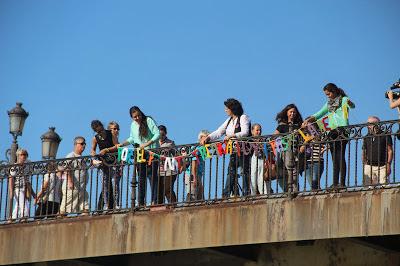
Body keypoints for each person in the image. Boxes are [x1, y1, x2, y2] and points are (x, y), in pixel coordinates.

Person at [302, 83, 355, 188]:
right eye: (326, 94)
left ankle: (342, 183)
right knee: (334, 158)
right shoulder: (328, 104)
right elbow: (318, 114)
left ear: (334, 91)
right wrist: (308, 120)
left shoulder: (343, 99)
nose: (328, 96)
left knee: (340, 157)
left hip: (342, 130)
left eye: (328, 94)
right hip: (331, 132)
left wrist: (350, 102)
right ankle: (335, 183)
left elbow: (353, 106)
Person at [201, 98, 251, 197]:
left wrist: (232, 136)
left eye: (227, 108)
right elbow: (219, 131)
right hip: (233, 149)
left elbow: (245, 132)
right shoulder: (229, 120)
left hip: (244, 149)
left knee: (244, 171)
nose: (225, 110)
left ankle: (246, 193)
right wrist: (208, 137)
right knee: (230, 171)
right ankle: (226, 194)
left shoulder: (243, 117)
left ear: (232, 108)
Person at [116, 106, 161, 206]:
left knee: (152, 176)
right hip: (139, 153)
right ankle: (141, 202)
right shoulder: (133, 125)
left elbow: (157, 134)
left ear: (141, 113)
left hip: (151, 152)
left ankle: (155, 201)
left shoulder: (148, 120)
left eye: (138, 115)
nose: (137, 118)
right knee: (141, 177)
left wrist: (147, 144)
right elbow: (132, 138)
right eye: (134, 117)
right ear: (131, 117)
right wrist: (122, 144)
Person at [274, 104, 304, 193]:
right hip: (286, 149)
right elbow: (274, 136)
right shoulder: (282, 126)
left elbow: (304, 136)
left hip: (296, 150)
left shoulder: (298, 125)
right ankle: (292, 189)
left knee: (294, 169)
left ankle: (293, 188)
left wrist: (303, 145)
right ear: (287, 113)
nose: (292, 113)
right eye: (290, 112)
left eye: (294, 112)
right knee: (291, 168)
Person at [90, 120, 118, 211]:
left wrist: (106, 150)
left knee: (115, 183)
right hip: (103, 163)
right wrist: (94, 154)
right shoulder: (95, 138)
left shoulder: (111, 133)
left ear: (103, 127)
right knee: (105, 184)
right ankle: (106, 205)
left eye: (101, 130)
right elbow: (92, 150)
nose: (101, 133)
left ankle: (116, 204)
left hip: (114, 161)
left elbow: (117, 146)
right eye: (98, 132)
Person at [60, 136, 90, 215]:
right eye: (82, 143)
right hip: (73, 187)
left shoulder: (82, 158)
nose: (84, 145)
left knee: (85, 208)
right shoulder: (71, 155)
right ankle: (60, 217)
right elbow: (67, 168)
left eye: (85, 144)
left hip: (81, 187)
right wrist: (70, 181)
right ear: (76, 144)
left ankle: (85, 215)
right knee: (65, 208)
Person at [362, 116, 393, 185]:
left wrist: (388, 164)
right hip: (369, 166)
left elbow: (390, 151)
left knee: (385, 187)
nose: (368, 126)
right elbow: (364, 151)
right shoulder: (366, 137)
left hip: (382, 166)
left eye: (369, 124)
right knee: (368, 189)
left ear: (376, 124)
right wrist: (365, 163)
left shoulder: (385, 134)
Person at [8, 148, 35, 220]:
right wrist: (11, 191)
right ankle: (24, 217)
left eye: (25, 155)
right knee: (23, 204)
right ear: (18, 156)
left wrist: (33, 193)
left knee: (18, 205)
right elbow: (11, 178)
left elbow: (27, 181)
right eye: (22, 154)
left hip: (25, 188)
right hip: (17, 189)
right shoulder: (14, 167)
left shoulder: (27, 166)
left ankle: (12, 219)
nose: (24, 156)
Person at [184, 130, 207, 201]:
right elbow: (193, 164)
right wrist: (194, 178)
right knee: (192, 196)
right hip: (192, 174)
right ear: (200, 138)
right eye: (206, 137)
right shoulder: (198, 149)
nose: (207, 139)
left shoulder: (202, 148)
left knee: (200, 197)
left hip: (198, 174)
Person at [158, 125, 177, 203]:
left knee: (167, 189)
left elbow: (177, 155)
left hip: (169, 170)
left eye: (162, 135)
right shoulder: (154, 143)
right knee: (158, 190)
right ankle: (159, 206)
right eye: (159, 135)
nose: (161, 137)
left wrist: (182, 165)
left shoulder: (170, 143)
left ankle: (173, 205)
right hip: (157, 170)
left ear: (165, 134)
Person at [249, 124, 270, 195]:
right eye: (257, 130)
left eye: (260, 130)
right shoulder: (249, 140)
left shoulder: (263, 140)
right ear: (252, 131)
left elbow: (267, 150)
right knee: (253, 177)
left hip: (261, 159)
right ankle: (253, 194)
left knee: (261, 177)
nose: (259, 132)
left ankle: (263, 193)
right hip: (253, 159)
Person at [107, 121, 122, 209]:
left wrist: (120, 165)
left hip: (116, 167)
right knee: (107, 187)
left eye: (117, 129)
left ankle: (116, 205)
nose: (116, 130)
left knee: (115, 186)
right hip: (107, 166)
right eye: (114, 129)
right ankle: (106, 205)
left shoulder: (118, 142)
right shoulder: (107, 141)